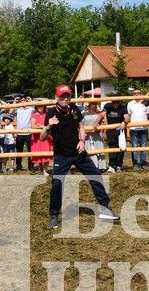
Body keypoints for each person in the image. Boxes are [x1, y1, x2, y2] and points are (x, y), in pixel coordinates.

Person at [43, 85, 119, 229]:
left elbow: (81, 127)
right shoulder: (51, 113)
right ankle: (53, 215)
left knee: (96, 175)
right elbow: (42, 137)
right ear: (56, 98)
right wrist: (48, 126)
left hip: (79, 153)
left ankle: (105, 208)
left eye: (68, 96)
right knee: (57, 184)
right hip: (62, 155)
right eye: (62, 96)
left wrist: (82, 140)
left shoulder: (75, 109)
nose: (65, 98)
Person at [126, 89, 149, 170]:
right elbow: (128, 116)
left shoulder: (145, 103)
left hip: (143, 128)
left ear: (141, 94)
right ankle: (135, 164)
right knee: (134, 147)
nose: (136, 95)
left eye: (138, 93)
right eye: (135, 93)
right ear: (133, 95)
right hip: (134, 128)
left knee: (143, 146)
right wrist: (128, 129)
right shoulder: (130, 104)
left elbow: (148, 115)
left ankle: (143, 163)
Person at [102, 97, 127, 173]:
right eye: (114, 102)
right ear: (111, 102)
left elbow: (127, 117)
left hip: (120, 130)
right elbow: (102, 113)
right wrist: (105, 123)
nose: (116, 104)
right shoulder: (108, 106)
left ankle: (119, 165)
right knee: (112, 147)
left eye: (117, 103)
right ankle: (112, 166)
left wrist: (124, 122)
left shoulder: (123, 108)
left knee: (121, 147)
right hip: (110, 130)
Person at [30, 101, 53, 175]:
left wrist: (41, 126)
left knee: (46, 152)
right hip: (37, 137)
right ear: (36, 107)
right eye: (39, 106)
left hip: (46, 137)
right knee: (38, 153)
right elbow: (33, 126)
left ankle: (45, 170)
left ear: (44, 107)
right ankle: (41, 169)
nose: (40, 108)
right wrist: (43, 127)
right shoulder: (34, 115)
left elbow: (49, 125)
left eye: (42, 106)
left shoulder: (47, 114)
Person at [15, 96, 35, 172]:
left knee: (30, 150)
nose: (23, 101)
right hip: (19, 133)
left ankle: (31, 167)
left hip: (29, 132)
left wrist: (30, 100)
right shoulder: (17, 108)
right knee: (19, 151)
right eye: (21, 100)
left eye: (25, 100)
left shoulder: (30, 109)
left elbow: (35, 107)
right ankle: (19, 167)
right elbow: (10, 111)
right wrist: (15, 101)